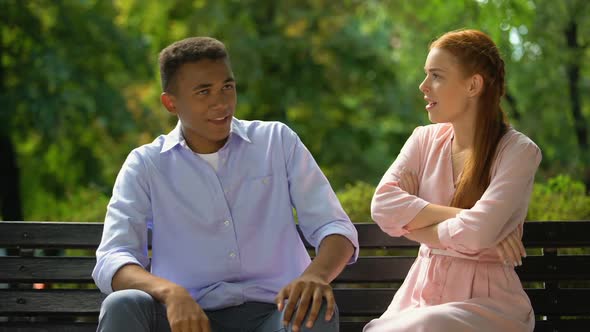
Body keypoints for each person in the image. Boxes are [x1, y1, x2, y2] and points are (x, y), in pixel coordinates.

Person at [92, 36, 359, 332]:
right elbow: (113, 257)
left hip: (276, 315)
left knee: (315, 309)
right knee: (121, 305)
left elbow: (335, 228)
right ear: (171, 102)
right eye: (203, 92)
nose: (221, 102)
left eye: (227, 87)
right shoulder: (146, 165)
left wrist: (316, 275)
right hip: (186, 319)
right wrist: (171, 293)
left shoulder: (277, 142)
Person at [363, 29, 541, 332]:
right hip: (417, 296)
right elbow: (383, 206)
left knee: (427, 325)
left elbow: (478, 233)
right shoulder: (423, 139)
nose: (423, 86)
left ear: (473, 85)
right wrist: (474, 220)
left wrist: (411, 228)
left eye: (436, 76)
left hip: (488, 305)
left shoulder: (519, 151)